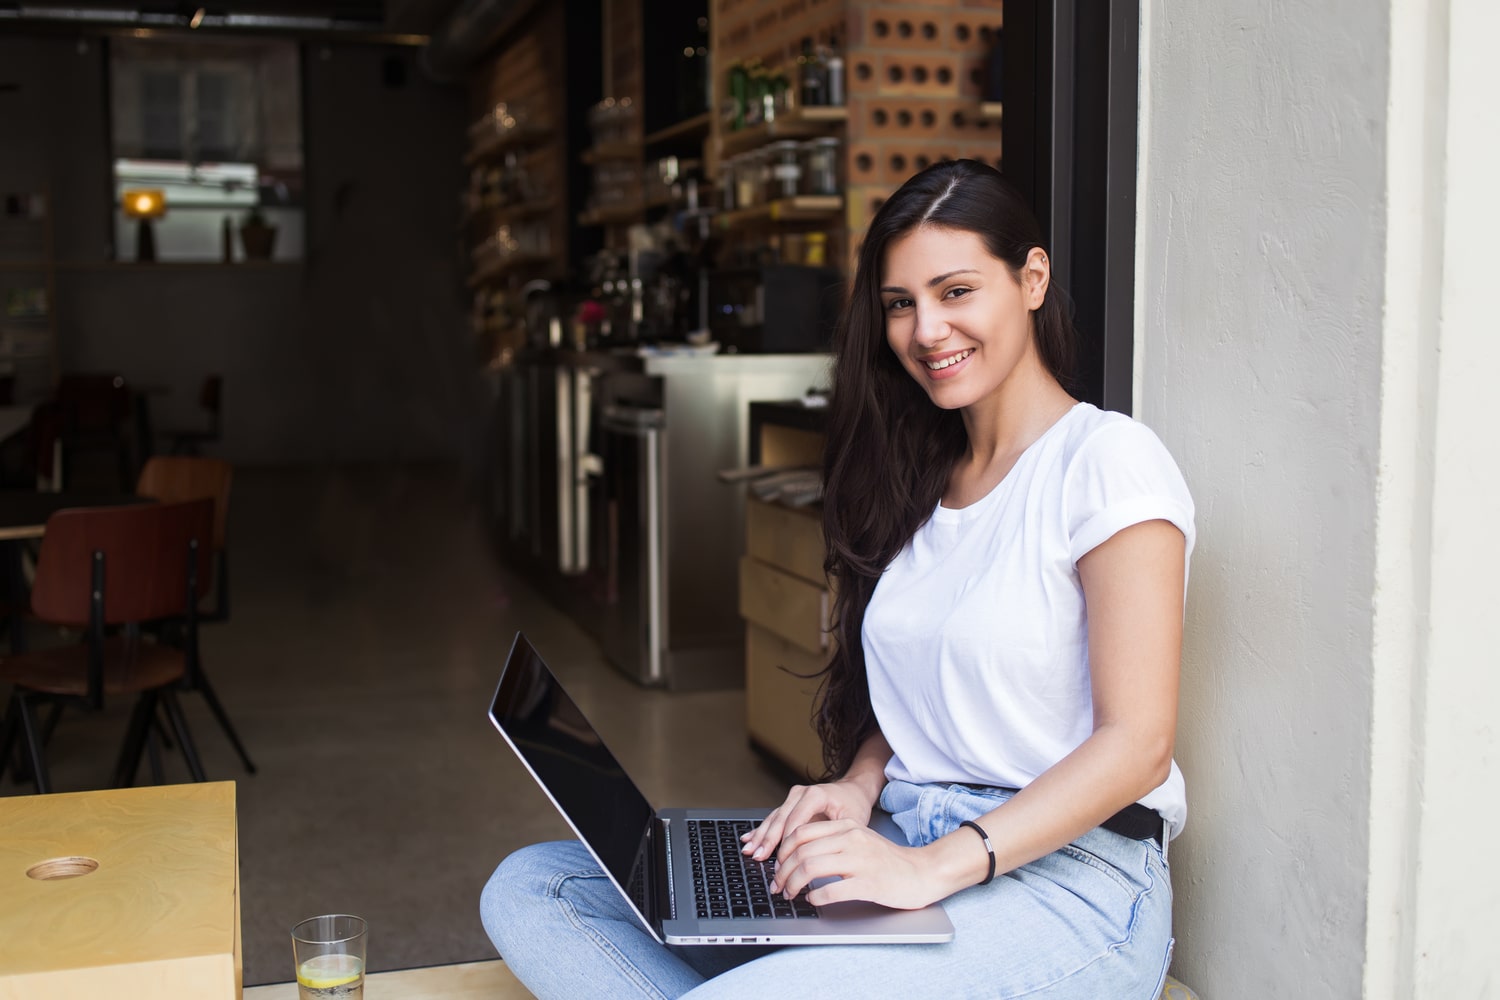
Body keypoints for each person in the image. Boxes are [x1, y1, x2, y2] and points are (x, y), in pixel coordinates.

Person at [480, 158, 1195, 999]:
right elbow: (936, 693)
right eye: (901, 304)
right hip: (904, 839)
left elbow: (1138, 744)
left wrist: (933, 868)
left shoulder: (1106, 461)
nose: (927, 330)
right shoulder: (924, 483)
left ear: (1031, 279)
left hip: (1071, 886)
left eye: (956, 291)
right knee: (538, 887)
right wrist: (857, 788)